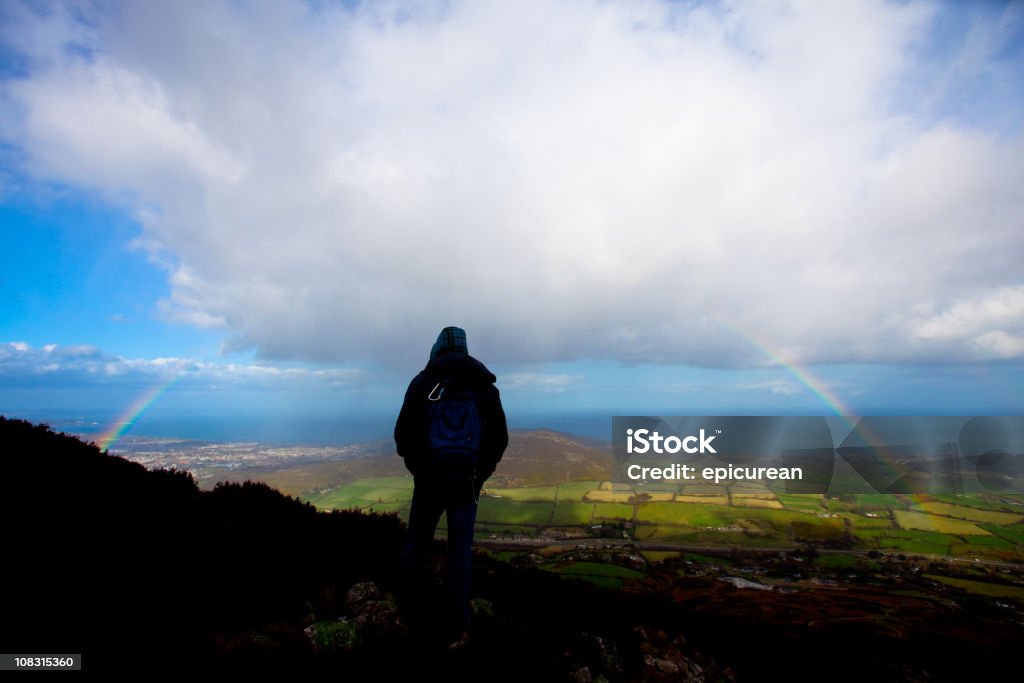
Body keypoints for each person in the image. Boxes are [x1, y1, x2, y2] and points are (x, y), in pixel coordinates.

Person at [394, 326, 508, 647]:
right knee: (460, 554)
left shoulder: (423, 383)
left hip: (429, 481)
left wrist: (421, 470)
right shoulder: (484, 386)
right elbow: (498, 439)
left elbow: (403, 437)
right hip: (466, 484)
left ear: (438, 348)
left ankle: (406, 614)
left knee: (417, 544)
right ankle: (456, 627)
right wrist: (478, 474)